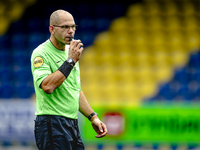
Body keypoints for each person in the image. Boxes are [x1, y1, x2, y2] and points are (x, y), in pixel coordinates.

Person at [31, 9, 107, 150]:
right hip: (51, 123)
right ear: (52, 29)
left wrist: (93, 117)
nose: (71, 31)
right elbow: (47, 86)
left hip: (71, 123)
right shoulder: (41, 53)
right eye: (65, 27)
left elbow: (75, 90)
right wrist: (71, 61)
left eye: (73, 27)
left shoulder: (70, 52)